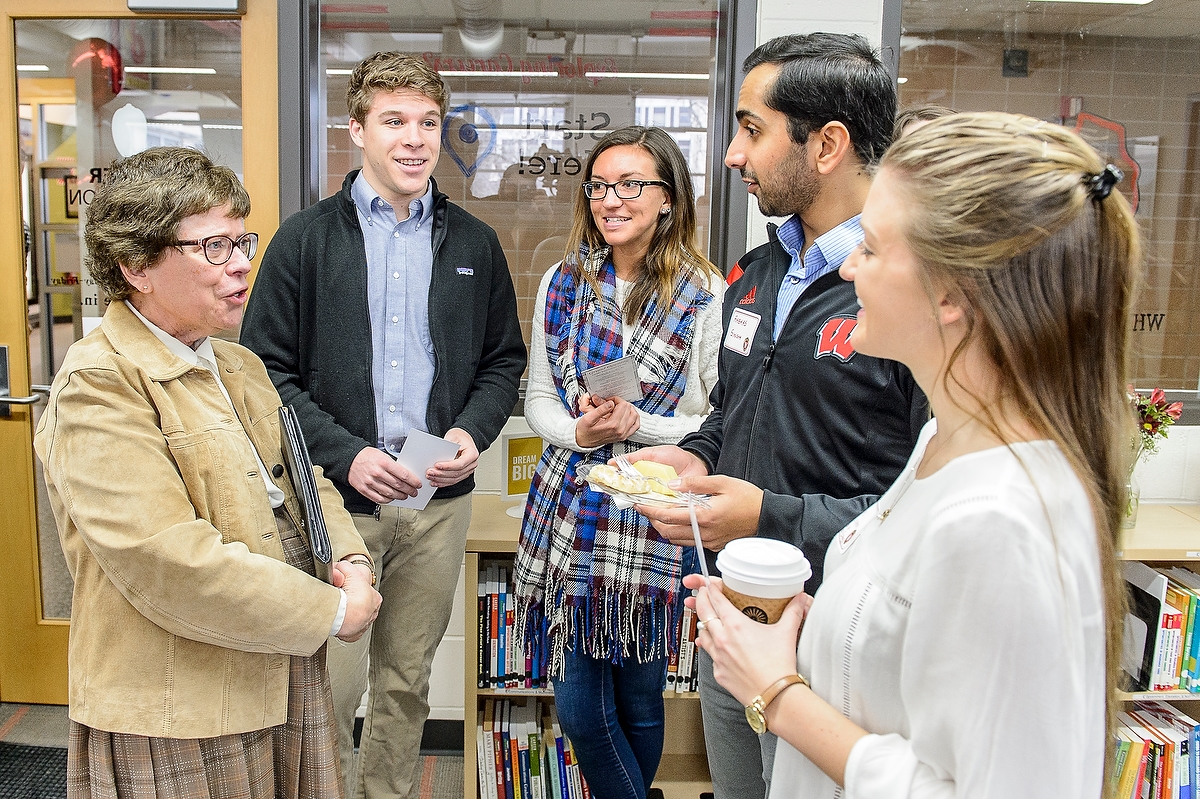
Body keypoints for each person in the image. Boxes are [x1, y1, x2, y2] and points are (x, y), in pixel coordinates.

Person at [687, 111, 1135, 798]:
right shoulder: (942, 443)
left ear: (952, 293)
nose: (847, 266)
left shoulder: (1001, 520)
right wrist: (800, 633)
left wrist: (776, 691)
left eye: (869, 247)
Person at [34, 146, 382, 799]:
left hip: (277, 657)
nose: (243, 264)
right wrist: (333, 609)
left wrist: (351, 558)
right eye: (213, 247)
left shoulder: (237, 364)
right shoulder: (99, 381)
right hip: (180, 702)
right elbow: (167, 559)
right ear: (135, 264)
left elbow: (306, 482)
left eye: (241, 240)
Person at [632, 33, 926, 799]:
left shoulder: (909, 295)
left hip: (837, 637)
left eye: (752, 130)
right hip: (732, 619)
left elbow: (920, 513)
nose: (733, 155)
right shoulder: (758, 272)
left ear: (827, 144)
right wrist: (695, 457)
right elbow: (734, 407)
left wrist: (768, 515)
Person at [240, 52, 526, 799]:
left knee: (406, 683)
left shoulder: (473, 244)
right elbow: (262, 375)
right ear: (356, 128)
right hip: (337, 507)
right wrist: (345, 454)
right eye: (394, 121)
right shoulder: (303, 242)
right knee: (327, 691)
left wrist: (471, 432)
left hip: (435, 506)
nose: (414, 139)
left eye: (428, 122)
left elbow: (503, 362)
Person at [512, 126, 724, 799]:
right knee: (578, 707)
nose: (612, 198)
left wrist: (637, 423)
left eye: (631, 184)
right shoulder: (563, 280)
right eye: (600, 185)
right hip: (573, 509)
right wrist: (582, 431)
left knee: (638, 698)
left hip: (655, 516)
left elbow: (714, 419)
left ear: (667, 198)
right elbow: (540, 399)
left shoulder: (705, 292)